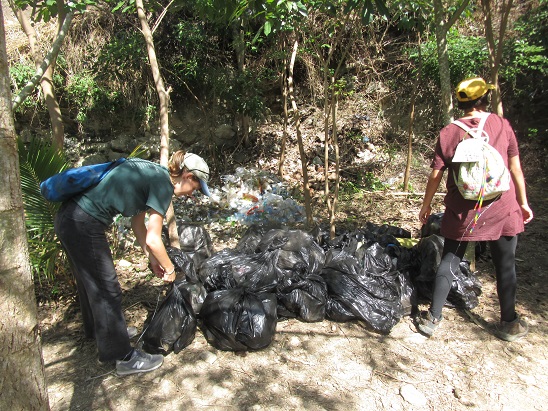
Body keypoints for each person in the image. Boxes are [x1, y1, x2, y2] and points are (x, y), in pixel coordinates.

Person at [54, 151, 211, 375]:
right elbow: (154, 238)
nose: (192, 194)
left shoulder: (152, 174)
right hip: (82, 222)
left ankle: (103, 333)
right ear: (187, 175)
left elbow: (138, 225)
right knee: (107, 288)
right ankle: (122, 357)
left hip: (71, 218)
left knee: (89, 282)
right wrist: (169, 269)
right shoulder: (162, 184)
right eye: (195, 188)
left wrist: (152, 257)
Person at [417, 77, 534, 342]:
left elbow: (436, 174)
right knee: (505, 265)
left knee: (449, 261)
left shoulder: (449, 132)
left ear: (461, 103)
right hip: (502, 206)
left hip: (463, 211)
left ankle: (433, 318)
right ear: (484, 99)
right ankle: (508, 323)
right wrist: (523, 202)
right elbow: (515, 168)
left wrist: (426, 205)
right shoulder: (501, 125)